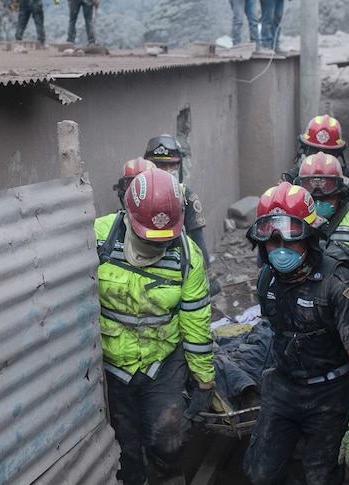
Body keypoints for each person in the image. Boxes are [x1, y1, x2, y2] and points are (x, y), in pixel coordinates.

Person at [242, 182, 349, 485]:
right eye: (272, 242)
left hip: (329, 394)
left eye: (290, 240)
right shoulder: (268, 280)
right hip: (283, 387)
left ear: (310, 237)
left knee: (321, 478)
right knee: (258, 473)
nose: (280, 250)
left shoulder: (338, 284)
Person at [95, 167, 214, 485]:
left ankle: (168, 473)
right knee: (125, 450)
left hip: (161, 362)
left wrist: (204, 380)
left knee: (169, 437)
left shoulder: (188, 256)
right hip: (112, 366)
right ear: (128, 214)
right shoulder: (98, 238)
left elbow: (196, 321)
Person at [295, 151, 349, 308]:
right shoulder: (294, 222)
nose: (318, 205)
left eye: (326, 199)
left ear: (340, 195)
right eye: (313, 200)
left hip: (343, 307)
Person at [284, 114, 349, 221]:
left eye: (329, 153)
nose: (320, 157)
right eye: (314, 151)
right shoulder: (291, 178)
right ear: (304, 150)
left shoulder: (347, 179)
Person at [143, 135, 210, 273]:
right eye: (160, 165)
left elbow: (198, 240)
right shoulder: (139, 193)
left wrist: (207, 273)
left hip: (177, 263)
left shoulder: (187, 197)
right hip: (141, 260)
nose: (167, 170)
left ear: (179, 166)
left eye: (171, 165)